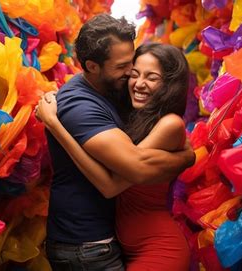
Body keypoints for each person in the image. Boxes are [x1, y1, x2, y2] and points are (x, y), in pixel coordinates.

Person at [35, 14, 195, 271]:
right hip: (89, 246)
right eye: (127, 69)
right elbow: (126, 175)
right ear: (92, 66)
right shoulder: (84, 106)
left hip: (136, 245)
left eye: (149, 76)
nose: (132, 78)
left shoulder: (124, 97)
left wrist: (190, 157)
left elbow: (120, 180)